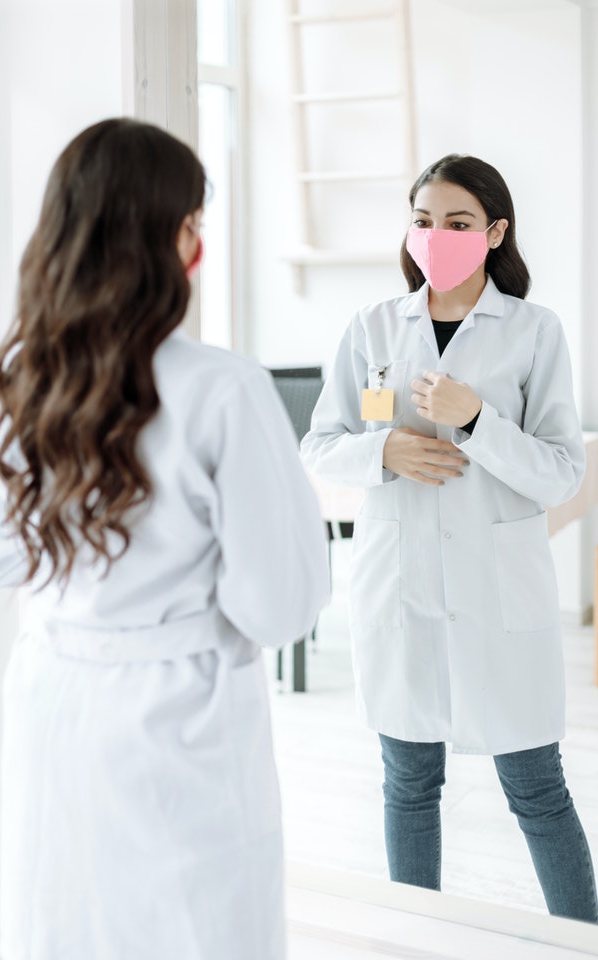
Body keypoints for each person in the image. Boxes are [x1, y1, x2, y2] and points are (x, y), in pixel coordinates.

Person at [0, 118, 330, 960]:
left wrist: (92, 575)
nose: (199, 243)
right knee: (196, 928)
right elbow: (279, 606)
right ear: (164, 240)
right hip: (183, 713)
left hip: (54, 697)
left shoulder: (15, 378)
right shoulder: (224, 390)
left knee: (64, 926)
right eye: (193, 222)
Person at [301, 153, 598, 922]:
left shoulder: (535, 332)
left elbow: (564, 473)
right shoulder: (371, 328)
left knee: (536, 787)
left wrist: (475, 422)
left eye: (459, 223)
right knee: (407, 783)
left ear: (495, 232)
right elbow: (320, 444)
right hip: (399, 588)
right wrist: (384, 451)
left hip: (500, 600)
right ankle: (415, 937)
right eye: (424, 220)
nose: (438, 236)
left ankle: (582, 935)